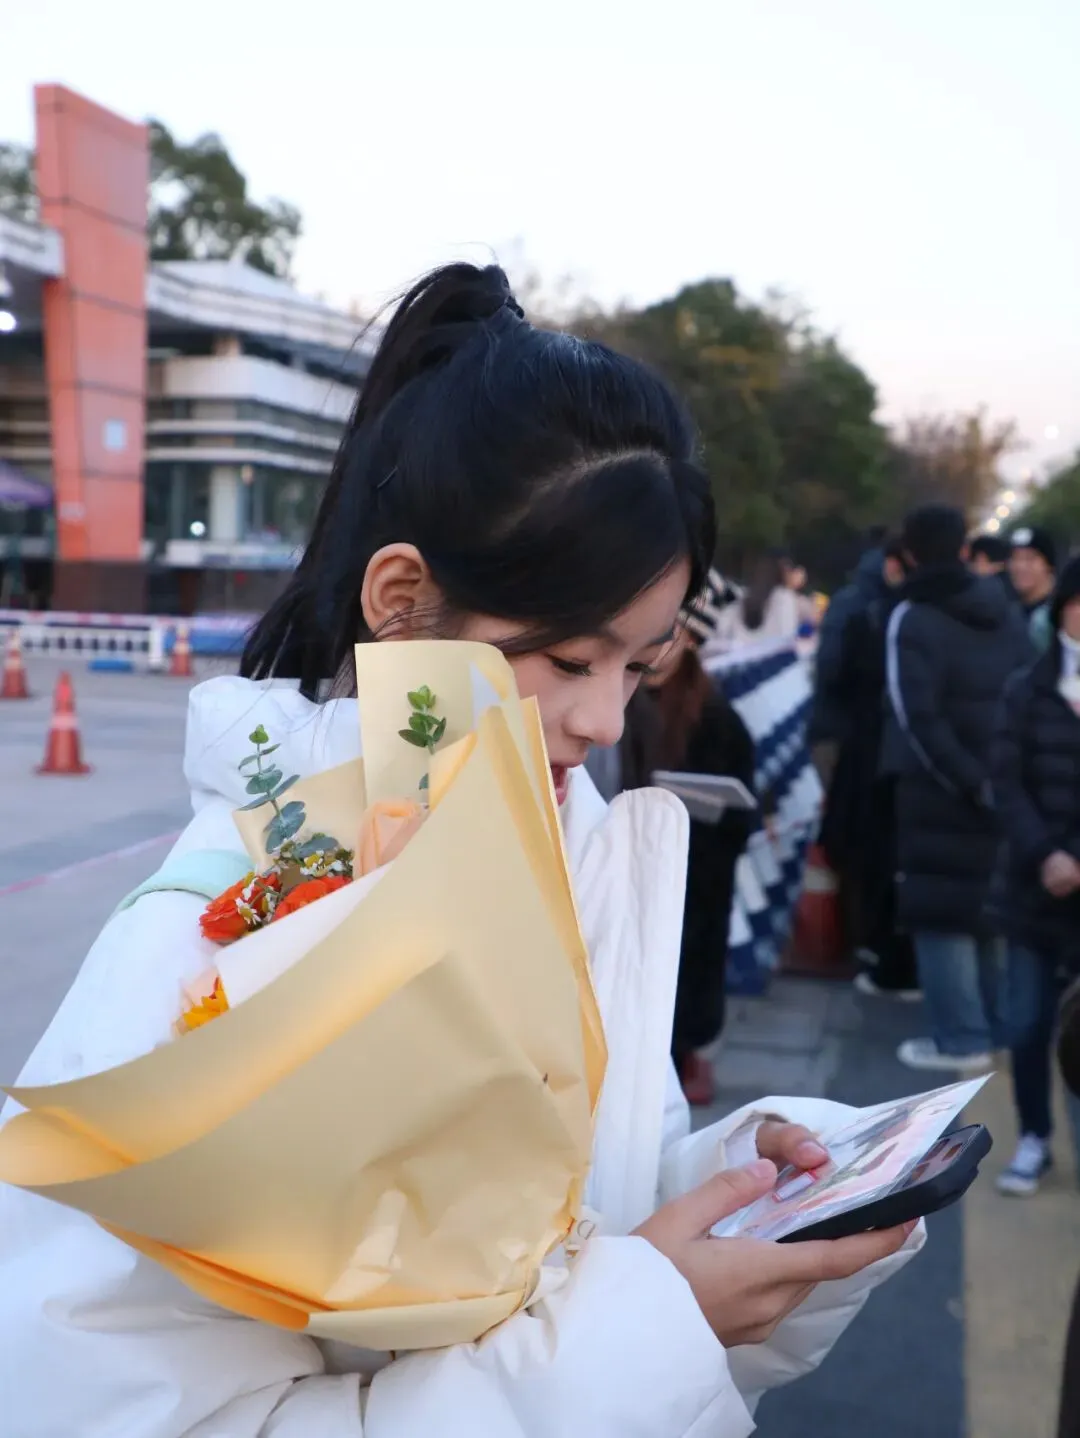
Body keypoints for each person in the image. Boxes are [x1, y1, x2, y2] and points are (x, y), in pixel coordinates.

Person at [0, 264, 920, 1438]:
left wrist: (744, 1192)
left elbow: (568, 1237)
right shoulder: (223, 934)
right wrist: (641, 1331)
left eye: (638, 670)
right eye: (569, 658)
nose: (605, 721)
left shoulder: (562, 844)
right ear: (401, 600)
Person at [885, 503, 1032, 1073]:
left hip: (940, 789)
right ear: (966, 549)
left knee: (939, 915)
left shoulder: (913, 616)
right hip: (1001, 781)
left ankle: (961, 1040)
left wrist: (968, 781)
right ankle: (997, 1034)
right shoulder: (1003, 609)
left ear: (912, 552)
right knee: (986, 909)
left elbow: (915, 717)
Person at [620, 621, 757, 1105]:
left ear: (693, 642)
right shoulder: (615, 697)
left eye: (671, 635)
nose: (658, 648)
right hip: (625, 861)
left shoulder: (715, 714)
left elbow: (744, 806)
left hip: (693, 872)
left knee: (684, 979)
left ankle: (682, 1063)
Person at [989, 555, 1080, 1196]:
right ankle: (1033, 1138)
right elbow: (1006, 780)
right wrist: (1046, 853)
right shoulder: (1026, 686)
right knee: (1025, 1024)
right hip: (1032, 887)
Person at [819, 536, 919, 998]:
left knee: (859, 844)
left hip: (859, 744)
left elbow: (831, 671)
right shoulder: (895, 610)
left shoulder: (865, 607)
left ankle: (855, 941)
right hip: (880, 749)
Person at [715, 549, 802, 649]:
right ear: (785, 571)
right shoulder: (785, 598)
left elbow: (722, 632)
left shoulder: (745, 597)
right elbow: (786, 639)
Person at [1009, 524, 1058, 652]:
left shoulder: (1064, 611)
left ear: (1048, 564)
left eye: (1030, 559)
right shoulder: (1007, 611)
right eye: (1015, 558)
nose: (1020, 567)